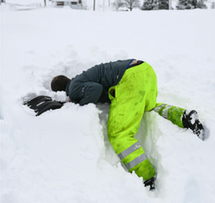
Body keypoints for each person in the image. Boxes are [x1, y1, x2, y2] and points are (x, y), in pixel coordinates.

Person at [50, 59, 204, 190]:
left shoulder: (73, 87)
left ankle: (147, 176)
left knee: (118, 132)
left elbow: (95, 90)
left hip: (129, 79)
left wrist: (77, 102)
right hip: (145, 70)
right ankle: (184, 117)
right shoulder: (83, 77)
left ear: (62, 91)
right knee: (147, 108)